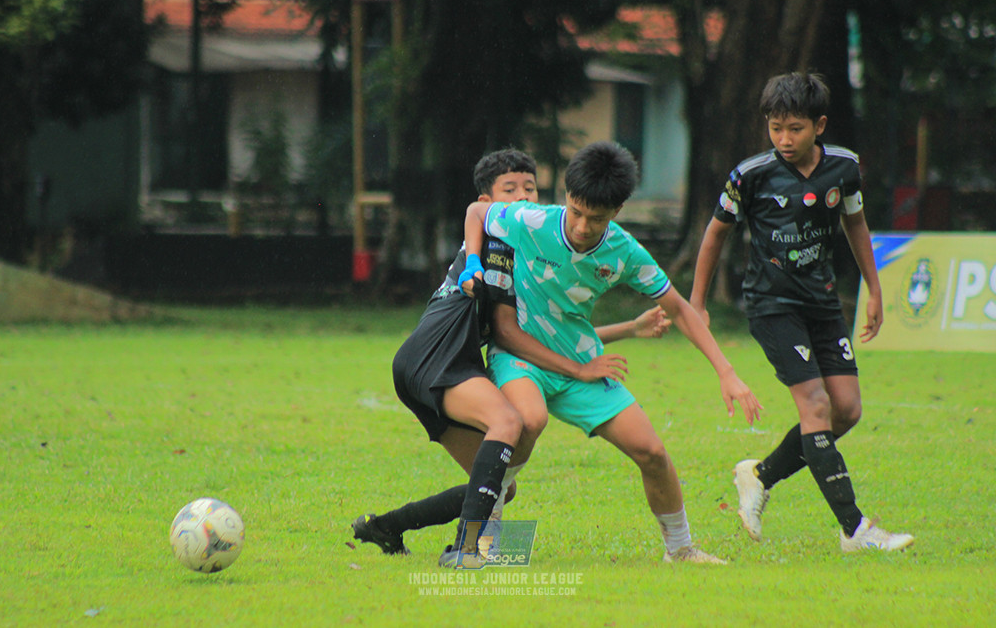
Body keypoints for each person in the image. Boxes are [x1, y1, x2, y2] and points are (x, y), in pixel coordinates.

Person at [353, 149, 667, 562]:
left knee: (502, 482)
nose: (522, 197)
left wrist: (628, 329)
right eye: (509, 189)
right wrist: (471, 264)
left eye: (530, 188)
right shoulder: (494, 247)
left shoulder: (523, 248)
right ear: (488, 202)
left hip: (444, 365)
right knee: (510, 422)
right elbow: (507, 332)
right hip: (435, 359)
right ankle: (470, 551)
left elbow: (541, 333)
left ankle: (386, 526)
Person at [460, 140, 763, 565]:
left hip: (582, 362)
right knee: (528, 419)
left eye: (596, 219)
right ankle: (485, 535)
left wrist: (726, 372)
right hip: (522, 356)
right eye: (577, 212)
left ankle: (680, 549)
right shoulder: (532, 220)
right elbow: (477, 212)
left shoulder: (624, 252)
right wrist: (474, 260)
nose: (583, 227)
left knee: (652, 453)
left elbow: (679, 309)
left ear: (617, 212)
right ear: (566, 196)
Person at [689, 71, 914, 552]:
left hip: (823, 302)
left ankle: (760, 475)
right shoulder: (750, 175)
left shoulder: (845, 167)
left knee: (846, 410)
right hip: (772, 306)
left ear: (820, 125)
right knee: (815, 406)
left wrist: (874, 289)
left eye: (794, 128)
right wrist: (697, 304)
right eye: (775, 128)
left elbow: (855, 223)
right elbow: (714, 234)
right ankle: (856, 530)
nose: (784, 139)